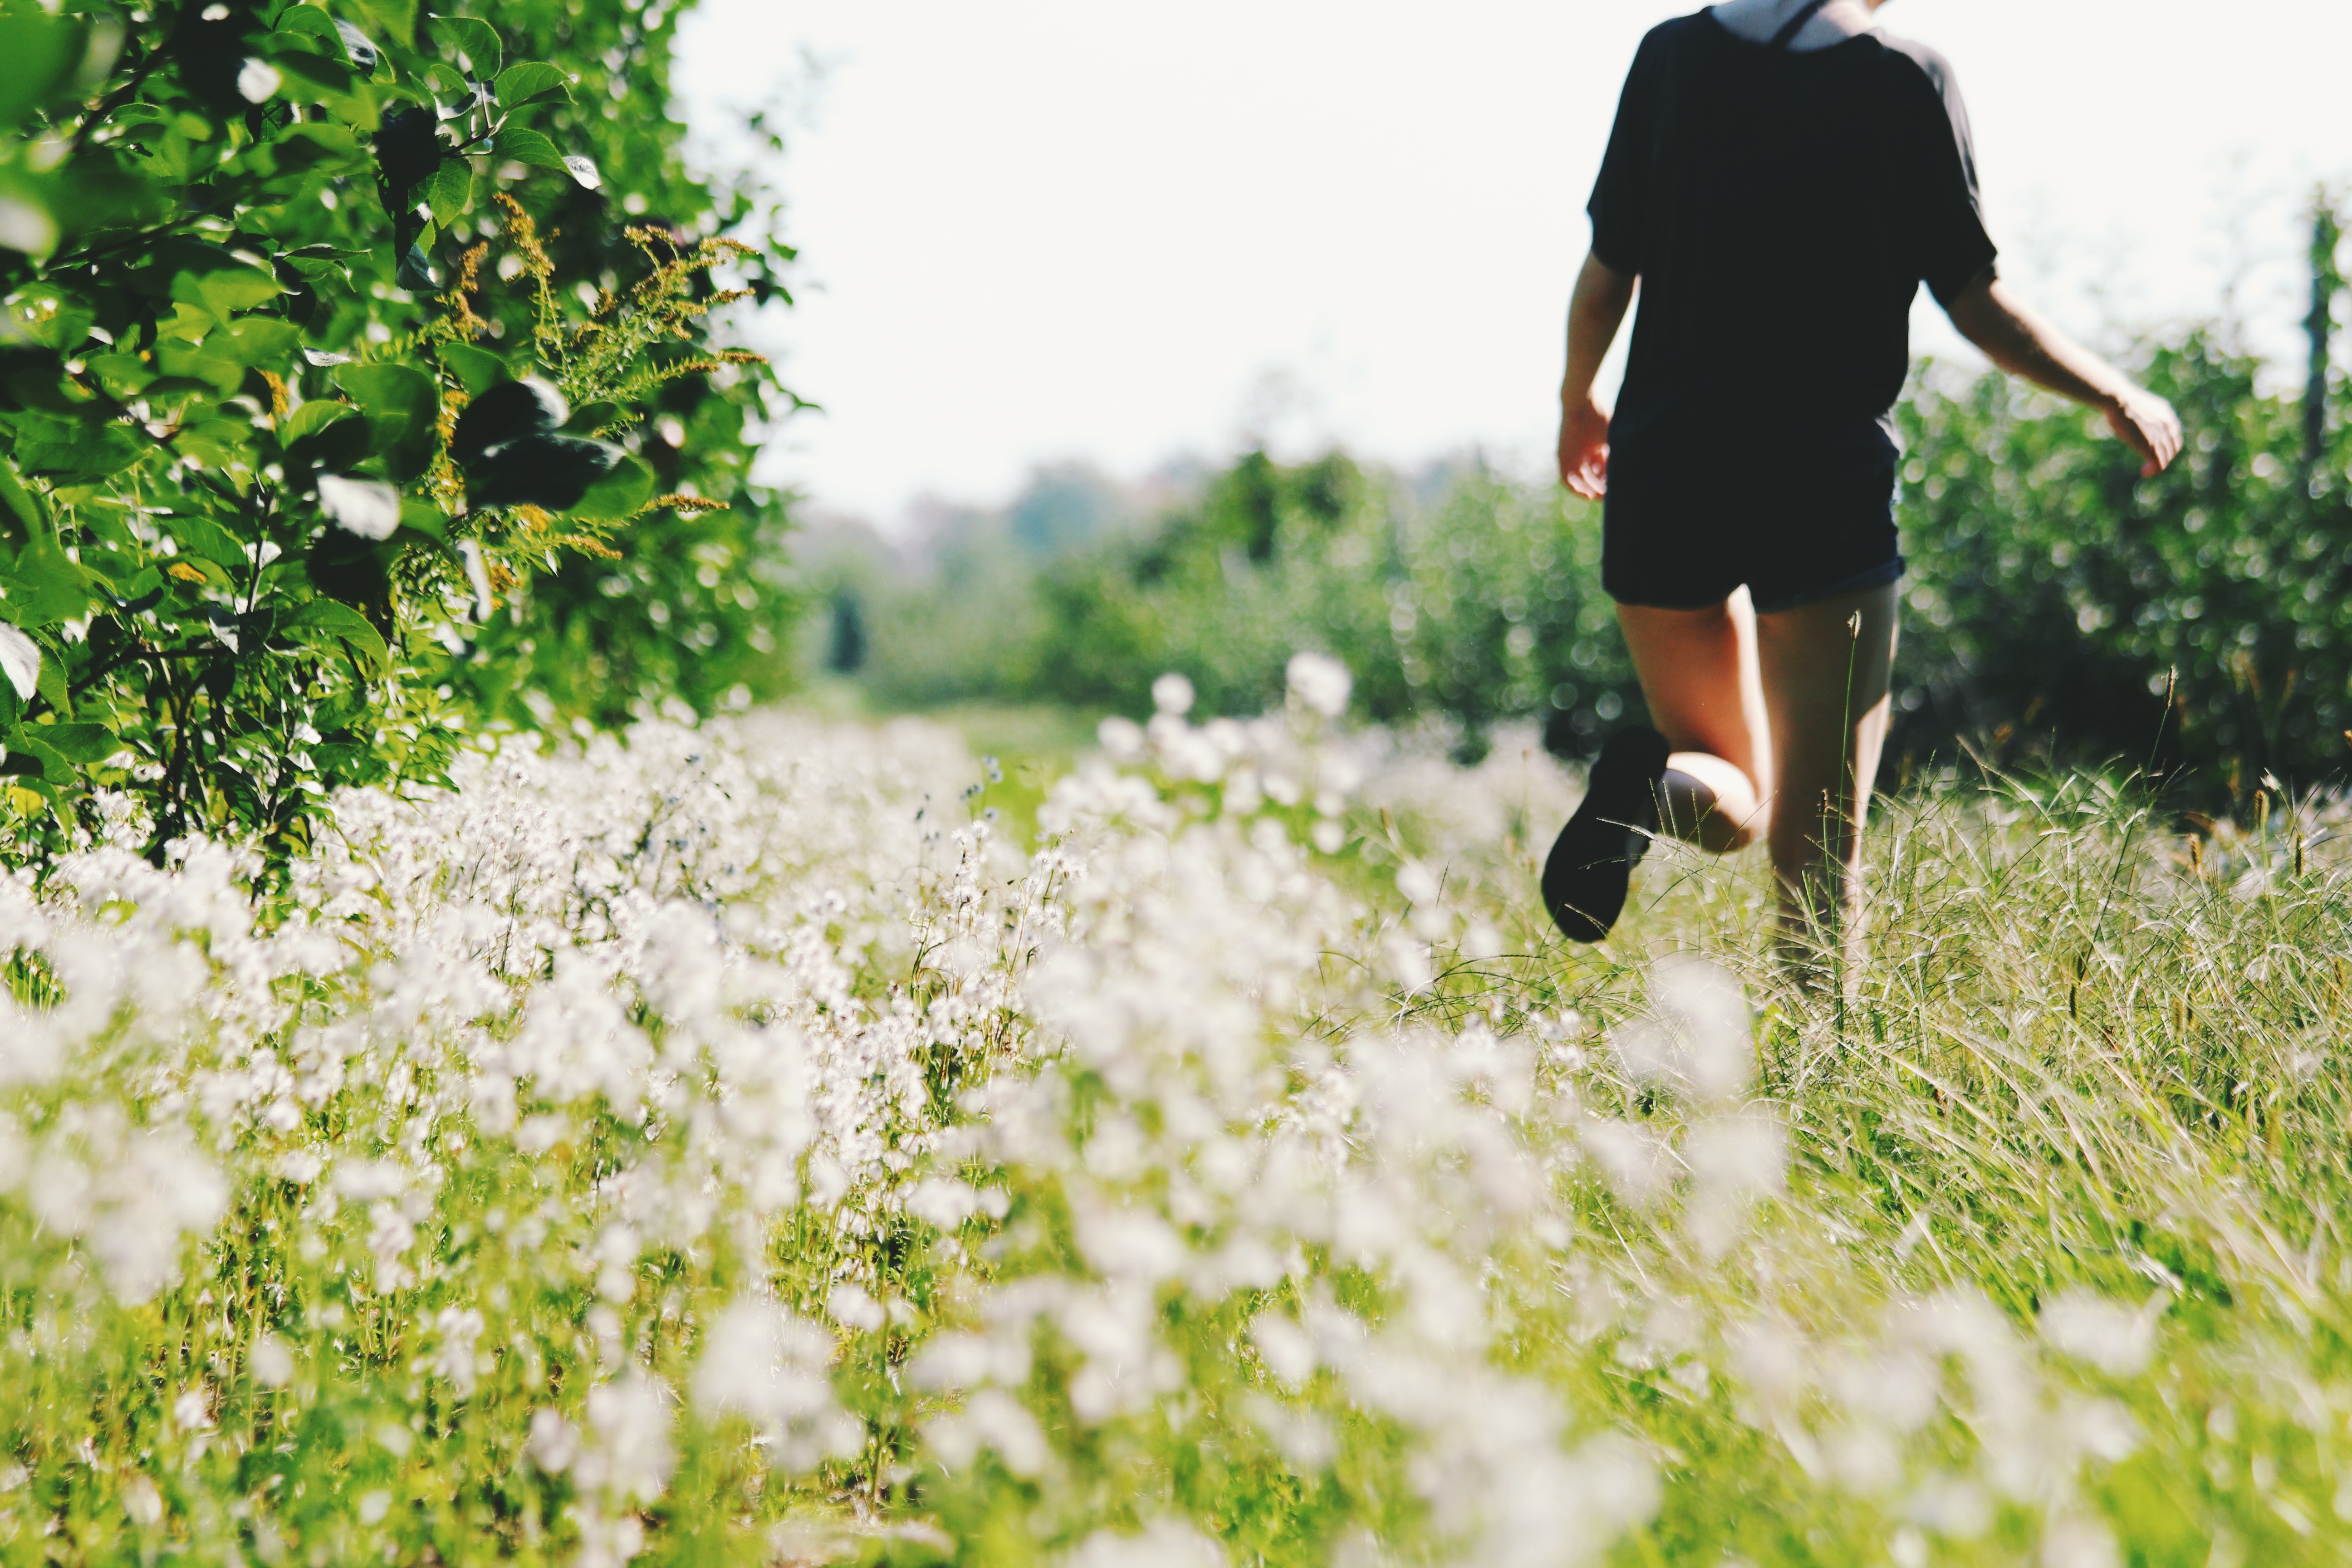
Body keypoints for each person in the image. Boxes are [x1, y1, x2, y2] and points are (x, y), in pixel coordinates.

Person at [1540, 0, 2182, 962]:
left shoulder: (1670, 57)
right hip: (1819, 486)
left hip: (1666, 472)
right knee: (1815, 856)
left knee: (1732, 790)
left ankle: (1652, 794)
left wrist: (1578, 403)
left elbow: (1608, 270)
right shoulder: (1903, 77)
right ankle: (1821, 1089)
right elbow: (1977, 302)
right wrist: (2107, 390)